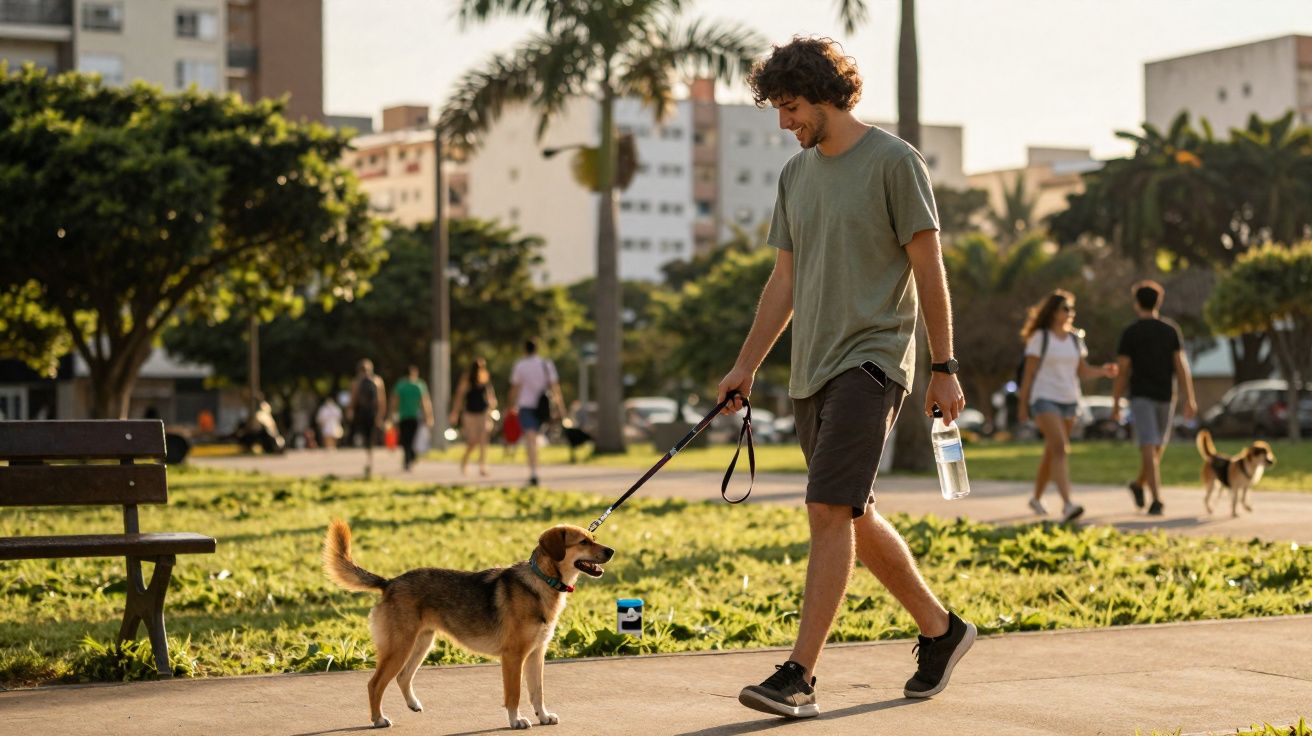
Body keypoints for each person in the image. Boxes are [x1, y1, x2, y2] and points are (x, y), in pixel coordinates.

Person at [717, 37, 976, 720]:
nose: (784, 122)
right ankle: (941, 630)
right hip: (812, 369)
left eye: (792, 106)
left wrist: (945, 367)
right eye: (777, 109)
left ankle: (798, 675)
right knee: (852, 510)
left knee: (827, 509)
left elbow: (929, 268)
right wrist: (746, 364)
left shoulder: (894, 162)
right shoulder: (795, 176)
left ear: (828, 94)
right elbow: (785, 281)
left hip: (873, 358)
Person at [1017, 289, 1119, 523]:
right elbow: (1028, 376)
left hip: (1070, 400)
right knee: (1061, 448)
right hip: (1044, 399)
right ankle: (1068, 504)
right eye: (1066, 308)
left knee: (1052, 450)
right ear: (1053, 312)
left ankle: (1036, 497)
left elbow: (1082, 370)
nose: (1070, 313)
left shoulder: (1075, 338)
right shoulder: (1039, 338)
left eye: (1072, 309)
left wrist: (1103, 371)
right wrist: (1022, 405)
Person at [1112, 280, 1197, 516]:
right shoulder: (1143, 332)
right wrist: (1189, 397)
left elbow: (1122, 371)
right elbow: (1181, 368)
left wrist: (1190, 398)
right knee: (1149, 445)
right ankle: (1157, 499)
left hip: (1164, 396)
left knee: (1156, 447)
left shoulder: (1166, 331)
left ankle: (1138, 484)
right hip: (1142, 397)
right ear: (1158, 302)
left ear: (1137, 303)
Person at [508, 339, 564, 487]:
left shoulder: (520, 365)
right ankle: (534, 470)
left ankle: (533, 471)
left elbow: (514, 387)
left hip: (526, 406)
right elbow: (554, 387)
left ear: (525, 350)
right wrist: (560, 408)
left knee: (530, 439)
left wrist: (510, 405)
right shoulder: (546, 364)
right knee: (534, 438)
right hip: (543, 407)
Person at [449, 357, 498, 476]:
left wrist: (493, 406)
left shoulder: (485, 378)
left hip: (483, 413)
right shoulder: (467, 379)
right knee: (473, 441)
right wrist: (455, 413)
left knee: (483, 440)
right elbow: (459, 397)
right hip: (470, 413)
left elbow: (490, 395)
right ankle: (464, 460)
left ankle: (482, 466)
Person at [347, 359, 387, 479]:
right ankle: (369, 456)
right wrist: (380, 415)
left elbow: (353, 399)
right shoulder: (377, 381)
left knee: (367, 436)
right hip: (369, 413)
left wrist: (350, 411)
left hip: (365, 413)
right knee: (369, 436)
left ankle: (368, 456)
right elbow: (381, 400)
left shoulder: (359, 382)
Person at [391, 365, 435, 471]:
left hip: (405, 416)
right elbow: (425, 402)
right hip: (413, 416)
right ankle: (410, 458)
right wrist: (429, 416)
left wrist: (393, 414)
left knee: (406, 439)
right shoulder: (419, 385)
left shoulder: (401, 385)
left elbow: (394, 401)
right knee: (411, 439)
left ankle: (408, 458)